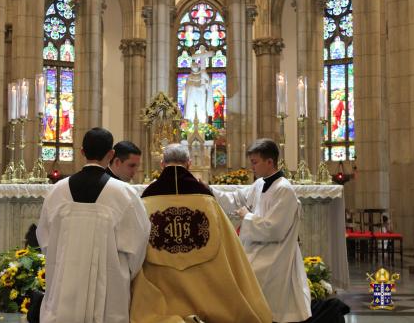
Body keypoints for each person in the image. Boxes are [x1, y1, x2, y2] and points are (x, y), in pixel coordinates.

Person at [130, 143, 272, 323]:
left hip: (161, 285)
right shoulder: (206, 199)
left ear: (162, 164)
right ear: (189, 163)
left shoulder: (148, 199)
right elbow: (229, 245)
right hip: (207, 290)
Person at [36, 127, 151, 323]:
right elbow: (138, 244)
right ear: (111, 154)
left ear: (81, 151)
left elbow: (45, 241)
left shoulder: (57, 191)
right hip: (108, 293)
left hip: (63, 288)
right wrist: (123, 273)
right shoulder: (123, 193)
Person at [213, 138, 312, 323]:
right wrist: (209, 192)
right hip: (258, 248)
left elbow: (274, 229)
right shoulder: (260, 184)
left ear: (269, 162)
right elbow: (237, 199)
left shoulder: (284, 190)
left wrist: (246, 216)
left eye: (255, 162)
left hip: (275, 254)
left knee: (259, 293)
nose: (252, 167)